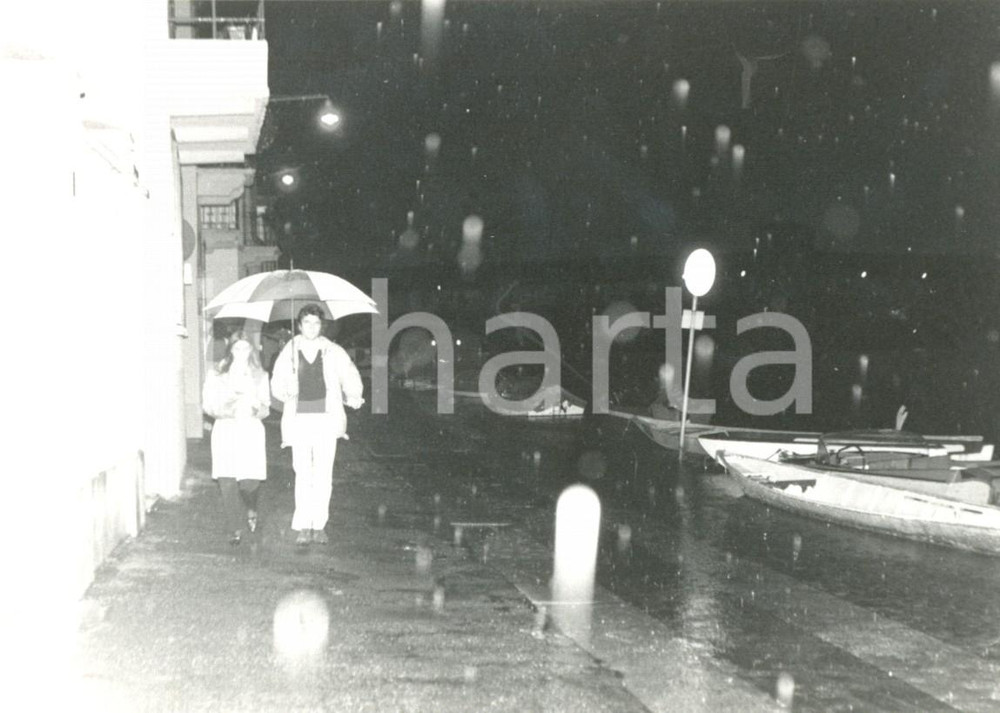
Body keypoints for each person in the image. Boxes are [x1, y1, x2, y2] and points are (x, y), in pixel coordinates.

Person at [271, 304, 364, 545]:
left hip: (325, 420)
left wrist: (353, 394)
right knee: (303, 473)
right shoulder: (289, 351)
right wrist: (286, 390)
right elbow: (277, 383)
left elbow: (350, 375)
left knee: (323, 474)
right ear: (299, 325)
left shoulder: (333, 351)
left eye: (316, 323)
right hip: (300, 420)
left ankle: (319, 524)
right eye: (306, 323)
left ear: (321, 326)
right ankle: (303, 524)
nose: (311, 327)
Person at [202, 332, 271, 545]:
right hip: (225, 430)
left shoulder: (260, 375)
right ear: (230, 349)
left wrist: (255, 407)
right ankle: (235, 528)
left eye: (245, 348)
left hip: (250, 431)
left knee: (249, 482)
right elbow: (208, 405)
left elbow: (266, 408)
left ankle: (251, 507)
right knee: (227, 480)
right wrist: (229, 405)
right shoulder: (216, 373)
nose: (241, 352)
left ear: (252, 350)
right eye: (237, 348)